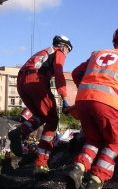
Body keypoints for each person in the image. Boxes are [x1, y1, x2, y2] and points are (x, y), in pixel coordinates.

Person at [66, 27, 118, 189]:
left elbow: (76, 73)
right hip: (106, 103)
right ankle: (96, 180)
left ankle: (78, 169)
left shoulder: (97, 54)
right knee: (114, 142)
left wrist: (87, 89)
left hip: (82, 101)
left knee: (93, 139)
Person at [8, 35, 73, 177]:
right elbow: (59, 73)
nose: (66, 55)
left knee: (41, 115)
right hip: (36, 81)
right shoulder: (59, 52)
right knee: (52, 120)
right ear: (64, 47)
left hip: (21, 81)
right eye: (68, 51)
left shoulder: (43, 52)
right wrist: (64, 98)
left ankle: (19, 132)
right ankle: (41, 163)